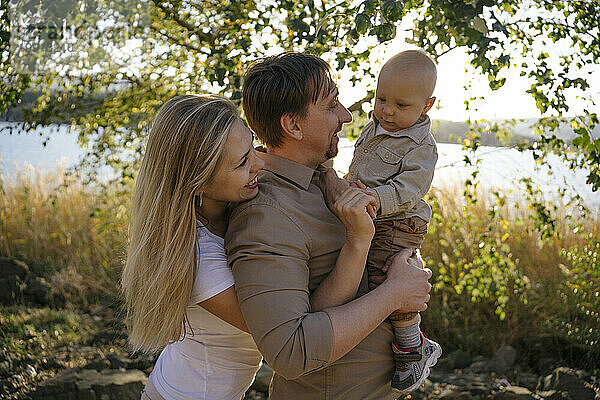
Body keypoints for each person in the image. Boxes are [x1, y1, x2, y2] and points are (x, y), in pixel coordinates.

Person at [122, 94, 386, 400]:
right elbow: (294, 328)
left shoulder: (228, 205)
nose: (260, 163)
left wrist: (325, 175)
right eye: (242, 162)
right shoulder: (200, 260)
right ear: (199, 183)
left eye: (251, 147)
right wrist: (385, 285)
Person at [225, 52, 434, 399]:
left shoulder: (322, 181)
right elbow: (290, 353)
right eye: (331, 104)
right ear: (293, 126)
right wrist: (394, 294)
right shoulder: (266, 215)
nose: (347, 116)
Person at [335, 49, 442, 393]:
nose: (387, 110)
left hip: (399, 220)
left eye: (401, 105)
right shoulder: (376, 125)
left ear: (427, 106)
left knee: (386, 274)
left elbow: (411, 188)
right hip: (373, 214)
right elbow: (363, 167)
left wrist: (376, 198)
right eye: (382, 99)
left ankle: (413, 347)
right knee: (358, 272)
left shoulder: (420, 145)